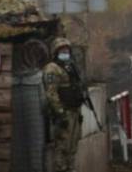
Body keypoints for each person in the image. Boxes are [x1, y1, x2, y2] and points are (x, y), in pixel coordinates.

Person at [43, 37, 85, 172]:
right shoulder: (52, 68)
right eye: (62, 49)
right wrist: (60, 113)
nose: (65, 51)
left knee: (72, 146)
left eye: (67, 49)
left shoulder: (70, 66)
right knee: (62, 147)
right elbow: (51, 93)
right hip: (64, 113)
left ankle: (70, 168)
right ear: (55, 52)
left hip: (74, 111)